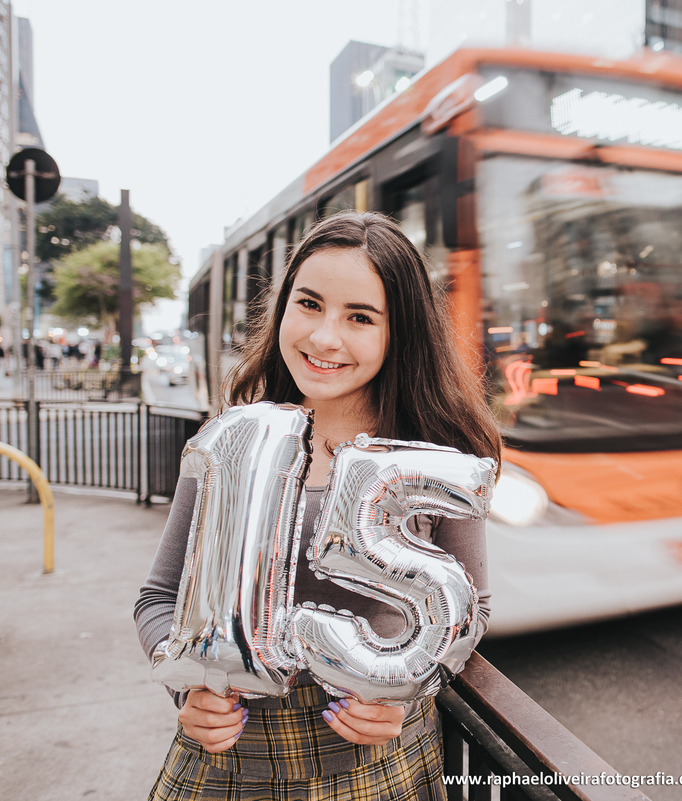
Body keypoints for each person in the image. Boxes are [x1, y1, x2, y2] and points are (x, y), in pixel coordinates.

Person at [134, 212, 502, 800]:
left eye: (360, 317)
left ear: (399, 332)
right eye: (308, 304)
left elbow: (472, 608)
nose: (324, 337)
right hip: (233, 760)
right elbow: (159, 597)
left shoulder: (435, 458)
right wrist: (189, 686)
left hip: (379, 761)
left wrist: (414, 688)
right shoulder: (229, 439)